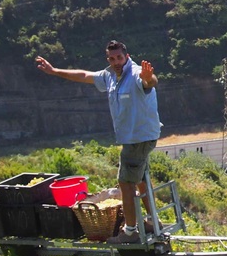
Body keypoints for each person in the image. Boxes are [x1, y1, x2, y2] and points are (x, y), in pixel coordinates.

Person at [35, 40, 162, 244]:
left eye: (119, 57)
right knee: (140, 180)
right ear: (108, 60)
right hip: (133, 139)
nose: (116, 61)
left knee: (126, 183)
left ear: (126, 57)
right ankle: (151, 221)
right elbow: (85, 75)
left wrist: (149, 78)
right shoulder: (110, 76)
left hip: (139, 138)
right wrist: (54, 71)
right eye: (112, 58)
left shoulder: (137, 73)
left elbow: (149, 82)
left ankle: (129, 232)